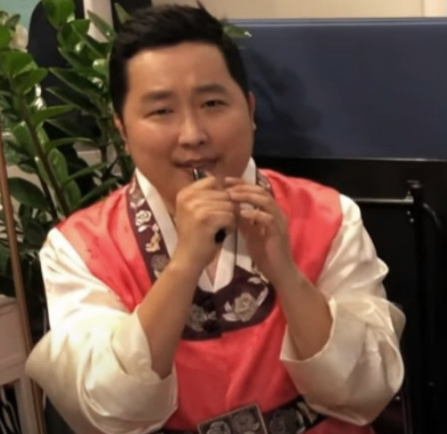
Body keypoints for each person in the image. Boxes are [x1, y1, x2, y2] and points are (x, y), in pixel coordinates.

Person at [26, 4, 405, 434]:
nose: (193, 134)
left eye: (212, 103)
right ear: (122, 131)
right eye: (161, 111)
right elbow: (109, 412)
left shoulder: (330, 216)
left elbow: (366, 389)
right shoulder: (80, 249)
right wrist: (184, 265)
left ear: (249, 109)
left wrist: (287, 273)